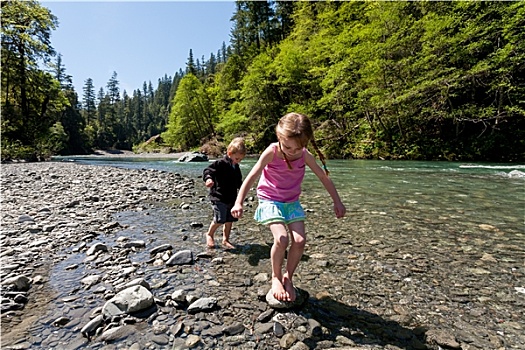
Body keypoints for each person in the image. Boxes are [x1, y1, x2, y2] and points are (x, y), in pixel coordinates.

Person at [231, 112, 346, 302]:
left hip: (291, 201)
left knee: (300, 240)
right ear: (279, 137)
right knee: (282, 238)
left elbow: (323, 177)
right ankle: (275, 277)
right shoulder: (272, 151)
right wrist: (239, 201)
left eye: (298, 148)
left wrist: (337, 201)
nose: (292, 152)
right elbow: (252, 176)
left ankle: (288, 277)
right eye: (288, 147)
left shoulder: (305, 155)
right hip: (270, 199)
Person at [203, 137, 246, 249]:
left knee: (229, 220)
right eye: (237, 158)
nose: (238, 161)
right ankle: (209, 234)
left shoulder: (236, 167)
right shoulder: (220, 163)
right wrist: (208, 179)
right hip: (218, 196)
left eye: (240, 160)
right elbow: (208, 171)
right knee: (219, 218)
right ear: (229, 153)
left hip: (231, 197)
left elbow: (238, 181)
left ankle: (225, 240)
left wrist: (243, 189)